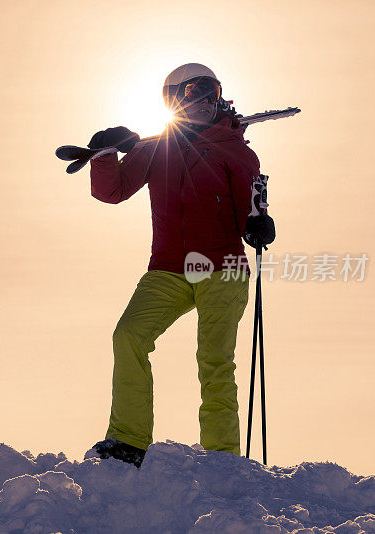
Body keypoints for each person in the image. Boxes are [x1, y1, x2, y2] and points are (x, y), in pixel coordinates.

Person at [86, 63, 275, 468]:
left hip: (221, 269)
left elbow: (250, 212)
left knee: (215, 360)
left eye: (211, 94)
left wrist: (258, 223)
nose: (204, 102)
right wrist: (103, 153)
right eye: (193, 94)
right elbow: (113, 190)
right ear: (174, 101)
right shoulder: (154, 149)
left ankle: (222, 457)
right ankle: (127, 441)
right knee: (129, 335)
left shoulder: (236, 151)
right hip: (168, 269)